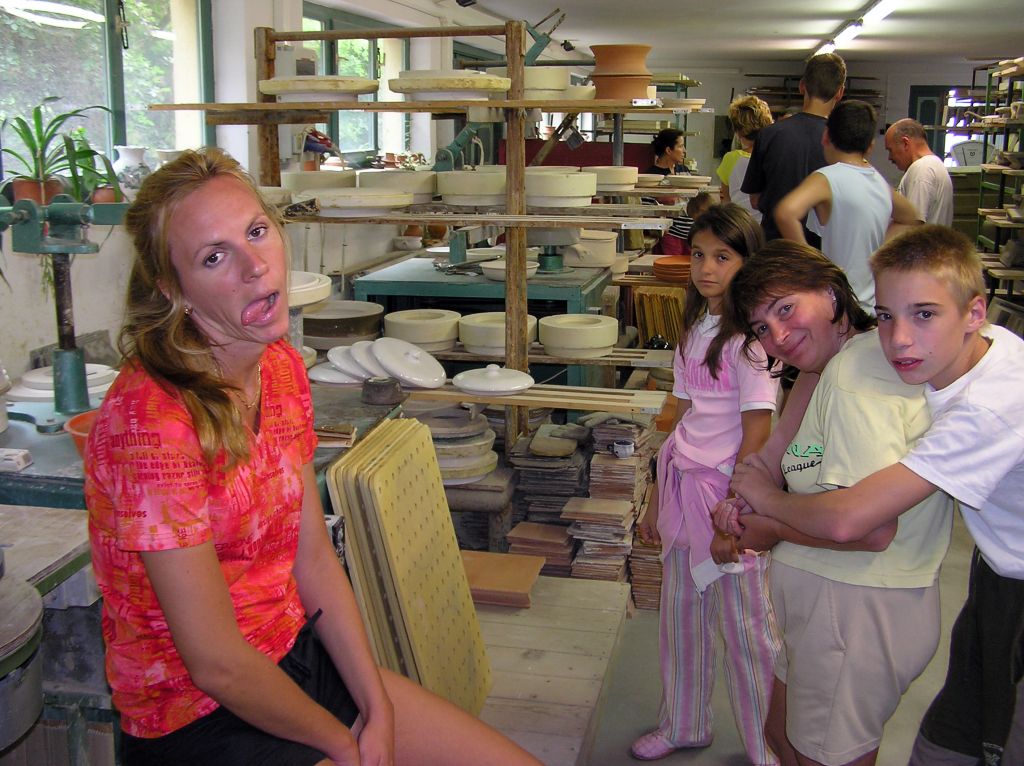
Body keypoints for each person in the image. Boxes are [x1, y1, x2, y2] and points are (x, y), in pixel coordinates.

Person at [84, 147, 542, 766]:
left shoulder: (278, 368)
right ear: (173, 290)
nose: (254, 267)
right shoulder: (151, 422)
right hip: (195, 717)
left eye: (256, 232)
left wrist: (376, 706)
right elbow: (216, 663)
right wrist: (341, 742)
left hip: (294, 658)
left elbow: (315, 559)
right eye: (214, 256)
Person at [725, 226, 1024, 766]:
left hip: (861, 605)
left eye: (787, 309)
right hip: (947, 583)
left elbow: (863, 526)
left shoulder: (878, 378)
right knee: (787, 736)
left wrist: (767, 514)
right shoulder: (833, 365)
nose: (901, 339)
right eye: (762, 327)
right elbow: (777, 452)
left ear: (832, 293)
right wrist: (751, 488)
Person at [632, 204, 782, 764]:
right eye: (698, 255)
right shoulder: (694, 330)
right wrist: (654, 498)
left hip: (727, 499)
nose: (706, 268)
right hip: (683, 490)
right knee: (681, 621)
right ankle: (684, 723)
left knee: (747, 633)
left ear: (748, 263)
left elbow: (758, 435)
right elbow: (680, 418)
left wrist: (732, 514)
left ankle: (768, 749)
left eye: (723, 256)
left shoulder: (753, 344)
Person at [774, 99, 922, 312]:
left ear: (826, 136)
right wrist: (877, 250)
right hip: (871, 305)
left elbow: (785, 213)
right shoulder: (878, 182)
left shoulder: (826, 178)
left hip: (838, 304)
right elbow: (911, 217)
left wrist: (813, 265)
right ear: (870, 147)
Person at [741, 53, 847, 244]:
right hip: (822, 249)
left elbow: (755, 200)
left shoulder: (770, 135)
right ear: (840, 92)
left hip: (775, 244)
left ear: (802, 86)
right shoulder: (842, 142)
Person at [884, 118, 954, 226]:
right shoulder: (933, 165)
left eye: (890, 150)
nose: (890, 157)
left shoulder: (922, 169)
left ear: (905, 143)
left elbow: (913, 225)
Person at [718, 95, 774, 222]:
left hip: (739, 225)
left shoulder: (730, 159)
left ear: (738, 132)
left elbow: (726, 201)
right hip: (769, 226)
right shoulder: (775, 157)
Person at [657, 191, 713, 256]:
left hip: (687, 237)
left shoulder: (707, 218)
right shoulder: (680, 209)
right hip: (673, 235)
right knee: (674, 257)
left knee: (688, 256)